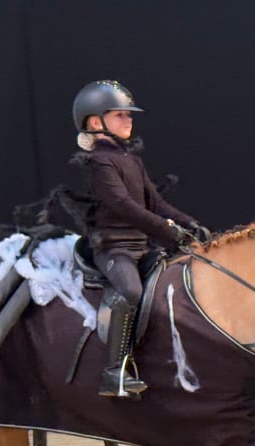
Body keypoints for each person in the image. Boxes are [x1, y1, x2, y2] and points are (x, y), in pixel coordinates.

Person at [71, 80, 206, 398]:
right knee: (130, 290)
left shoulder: (132, 161)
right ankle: (113, 371)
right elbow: (123, 206)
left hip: (142, 246)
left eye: (129, 115)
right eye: (120, 115)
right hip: (114, 248)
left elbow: (155, 203)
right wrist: (166, 229)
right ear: (95, 122)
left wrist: (190, 223)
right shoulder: (99, 162)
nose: (129, 120)